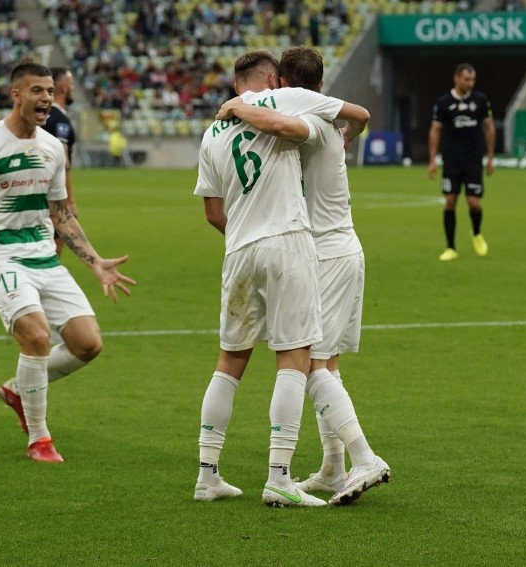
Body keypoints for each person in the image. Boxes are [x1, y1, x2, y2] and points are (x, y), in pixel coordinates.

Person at [0, 62, 135, 463]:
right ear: (16, 95)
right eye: (37, 91)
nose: (46, 99)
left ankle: (18, 389)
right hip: (1, 259)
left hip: (44, 258)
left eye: (50, 92)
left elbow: (61, 214)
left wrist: (95, 263)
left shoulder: (52, 148)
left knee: (87, 344)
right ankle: (39, 439)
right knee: (37, 337)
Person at [192, 50, 368, 507]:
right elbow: (302, 127)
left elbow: (213, 212)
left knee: (229, 360)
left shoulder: (212, 133)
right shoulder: (284, 101)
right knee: (295, 358)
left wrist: (246, 236)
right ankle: (278, 478)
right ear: (273, 80)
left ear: (236, 86)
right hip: (287, 241)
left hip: (238, 250)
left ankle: (207, 475)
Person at [229, 45, 390, 505]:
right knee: (328, 363)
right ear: (321, 83)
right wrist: (349, 136)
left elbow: (280, 124)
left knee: (313, 363)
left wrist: (237, 106)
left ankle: (364, 459)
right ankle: (333, 468)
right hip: (335, 250)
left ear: (281, 82)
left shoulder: (305, 120)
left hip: (326, 253)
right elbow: (358, 115)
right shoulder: (323, 120)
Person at [428, 63, 495, 262]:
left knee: (474, 202)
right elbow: (435, 130)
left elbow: (489, 128)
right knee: (450, 201)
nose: (470, 83)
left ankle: (476, 233)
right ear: (456, 79)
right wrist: (432, 160)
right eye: (467, 79)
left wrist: (490, 157)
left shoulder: (481, 101)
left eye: (472, 79)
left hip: (473, 159)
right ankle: (450, 247)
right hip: (452, 160)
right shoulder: (444, 102)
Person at [41, 66, 77, 257]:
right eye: (71, 84)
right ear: (63, 87)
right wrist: (70, 201)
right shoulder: (59, 120)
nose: (73, 88)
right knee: (53, 253)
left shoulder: (43, 117)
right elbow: (64, 162)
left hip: (36, 191)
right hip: (53, 197)